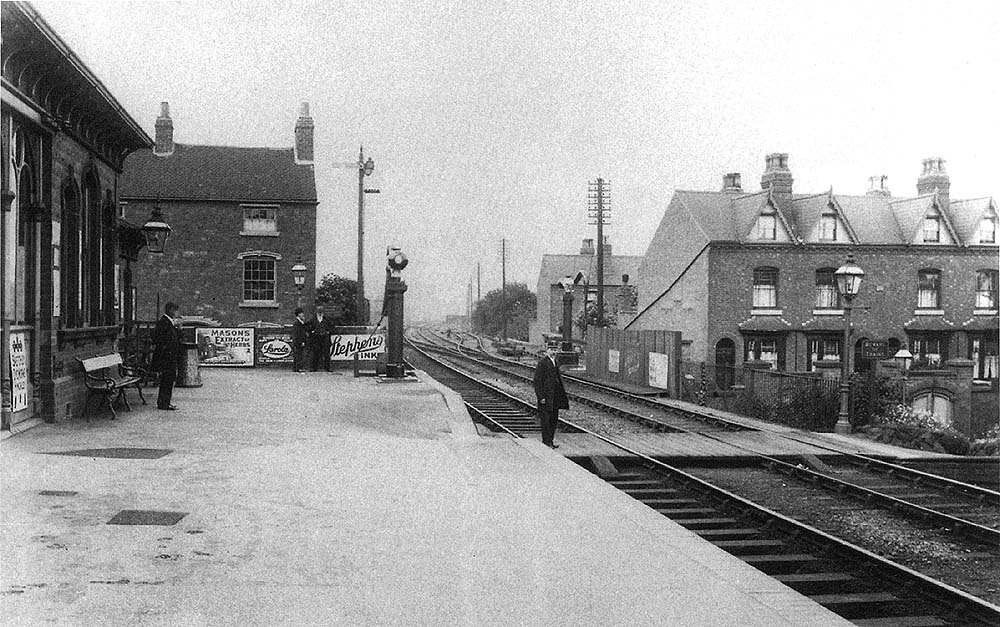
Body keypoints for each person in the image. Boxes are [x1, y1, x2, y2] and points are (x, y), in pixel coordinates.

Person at [533, 344, 568, 448]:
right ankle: (546, 442)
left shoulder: (555, 362)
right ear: (547, 350)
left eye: (555, 349)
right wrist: (541, 397)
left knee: (553, 420)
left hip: (554, 398)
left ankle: (550, 441)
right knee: (546, 421)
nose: (553, 352)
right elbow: (537, 381)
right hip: (546, 398)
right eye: (551, 349)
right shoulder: (542, 363)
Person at [151, 301, 182, 410]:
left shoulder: (169, 323)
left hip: (169, 356)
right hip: (166, 357)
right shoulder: (164, 323)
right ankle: (164, 403)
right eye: (177, 310)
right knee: (167, 380)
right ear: (171, 310)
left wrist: (178, 329)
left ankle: (165, 402)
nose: (178, 313)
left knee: (168, 380)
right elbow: (158, 338)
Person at [310, 305, 333, 372]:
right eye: (319, 311)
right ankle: (314, 368)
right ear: (317, 311)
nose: (320, 312)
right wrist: (312, 331)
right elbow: (307, 326)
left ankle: (327, 368)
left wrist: (328, 331)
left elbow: (332, 326)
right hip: (316, 339)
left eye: (321, 311)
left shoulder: (326, 319)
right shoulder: (313, 319)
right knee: (315, 353)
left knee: (326, 354)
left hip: (325, 338)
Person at [292, 307, 308, 373]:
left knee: (299, 354)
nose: (303, 314)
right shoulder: (297, 323)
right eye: (301, 313)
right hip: (299, 341)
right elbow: (298, 333)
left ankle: (297, 368)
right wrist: (301, 341)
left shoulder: (300, 322)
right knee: (299, 354)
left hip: (299, 341)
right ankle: (298, 368)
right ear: (298, 314)